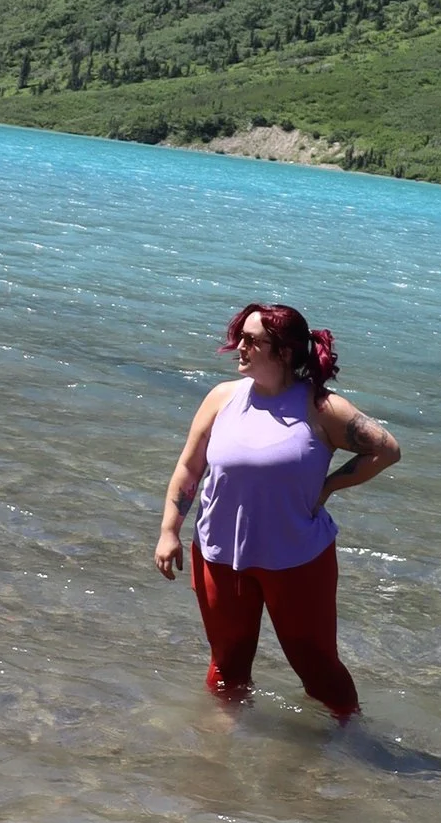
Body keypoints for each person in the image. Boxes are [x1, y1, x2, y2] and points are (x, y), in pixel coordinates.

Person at [154, 302, 398, 724]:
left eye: (251, 340)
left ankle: (349, 737)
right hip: (219, 554)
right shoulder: (222, 398)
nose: (239, 346)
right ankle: (222, 743)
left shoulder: (321, 408)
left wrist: (328, 486)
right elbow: (190, 467)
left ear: (283, 352)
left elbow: (386, 450)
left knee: (317, 666)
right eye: (239, 337)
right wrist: (169, 531)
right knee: (227, 664)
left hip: (297, 559)